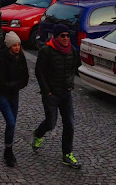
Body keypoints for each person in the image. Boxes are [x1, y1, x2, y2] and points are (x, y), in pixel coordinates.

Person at [32, 23, 81, 169]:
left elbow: (73, 69)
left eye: (67, 36)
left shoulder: (72, 50)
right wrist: (46, 91)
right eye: (62, 36)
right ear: (56, 37)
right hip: (51, 95)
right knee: (51, 123)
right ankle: (38, 134)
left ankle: (67, 154)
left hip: (66, 93)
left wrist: (71, 84)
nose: (66, 38)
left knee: (69, 124)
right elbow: (39, 72)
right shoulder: (46, 51)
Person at [0, 32, 29, 167]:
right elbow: (1, 83)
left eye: (18, 45)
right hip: (1, 94)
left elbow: (25, 78)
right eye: (14, 45)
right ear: (9, 47)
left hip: (14, 93)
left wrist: (16, 85)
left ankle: (8, 150)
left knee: (12, 123)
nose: (17, 47)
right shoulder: (3, 60)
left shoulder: (21, 58)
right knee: (11, 122)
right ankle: (8, 151)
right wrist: (16, 84)